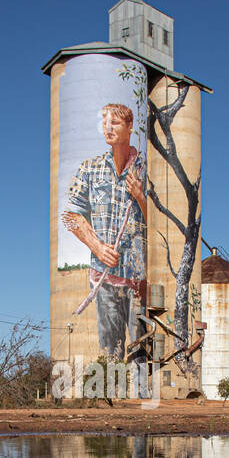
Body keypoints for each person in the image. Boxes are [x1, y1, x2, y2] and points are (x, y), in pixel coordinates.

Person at [61, 103, 148, 363]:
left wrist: (141, 197)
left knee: (141, 353)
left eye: (115, 123)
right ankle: (113, 399)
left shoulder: (146, 169)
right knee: (110, 352)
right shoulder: (90, 168)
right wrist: (98, 247)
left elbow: (160, 224)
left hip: (138, 281)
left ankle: (143, 400)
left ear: (130, 127)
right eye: (104, 122)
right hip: (105, 279)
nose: (108, 128)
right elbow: (70, 216)